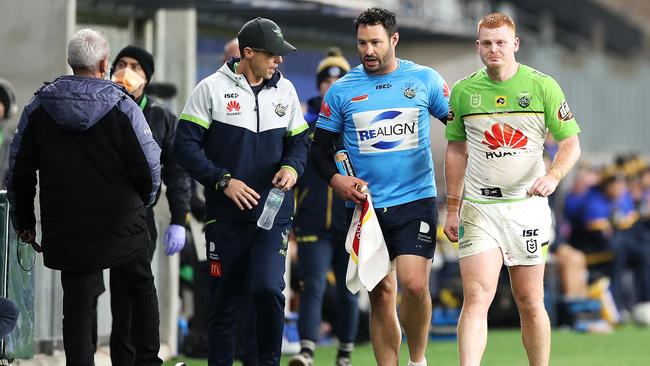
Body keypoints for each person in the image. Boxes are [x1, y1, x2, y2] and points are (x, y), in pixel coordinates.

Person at [7, 28, 162, 365]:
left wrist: (25, 223)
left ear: (70, 62)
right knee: (141, 290)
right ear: (105, 63)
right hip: (124, 222)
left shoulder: (39, 107)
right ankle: (148, 361)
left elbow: (18, 169)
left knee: (77, 307)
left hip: (68, 230)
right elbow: (149, 166)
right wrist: (145, 201)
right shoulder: (124, 107)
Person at [310, 8, 449, 366]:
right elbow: (319, 150)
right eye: (361, 43)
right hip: (366, 207)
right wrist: (337, 180)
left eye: (375, 42)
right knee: (381, 292)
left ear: (394, 40)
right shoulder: (342, 91)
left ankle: (417, 359)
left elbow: (460, 125)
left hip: (416, 198)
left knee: (414, 286)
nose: (368, 49)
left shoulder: (424, 80)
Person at [443, 13, 581, 366]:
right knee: (476, 296)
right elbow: (457, 150)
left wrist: (553, 176)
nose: (494, 49)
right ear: (477, 47)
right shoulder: (463, 91)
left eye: (501, 42)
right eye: (486, 43)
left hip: (526, 208)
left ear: (515, 44)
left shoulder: (542, 86)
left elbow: (571, 144)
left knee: (530, 300)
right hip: (479, 208)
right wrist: (455, 208)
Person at [174, 17, 310, 366]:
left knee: (267, 289)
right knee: (223, 303)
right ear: (248, 53)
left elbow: (300, 143)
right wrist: (222, 180)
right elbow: (184, 147)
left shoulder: (287, 91)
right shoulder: (210, 89)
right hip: (224, 216)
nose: (279, 60)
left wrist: (292, 167)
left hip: (273, 215)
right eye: (272, 54)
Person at [109, 45, 192, 365]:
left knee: (135, 291)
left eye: (136, 67)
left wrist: (178, 219)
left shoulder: (161, 118)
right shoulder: (102, 108)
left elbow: (177, 172)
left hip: (139, 216)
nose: (127, 72)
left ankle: (144, 360)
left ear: (147, 77)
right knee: (107, 296)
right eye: (122, 64)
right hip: (102, 213)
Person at [288, 47, 359, 366]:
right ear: (318, 85)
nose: (331, 86)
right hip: (312, 221)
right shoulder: (302, 124)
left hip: (351, 221)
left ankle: (345, 350)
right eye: (325, 81)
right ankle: (307, 350)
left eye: (338, 80)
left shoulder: (358, 123)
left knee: (348, 291)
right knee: (312, 286)